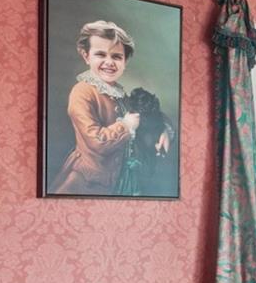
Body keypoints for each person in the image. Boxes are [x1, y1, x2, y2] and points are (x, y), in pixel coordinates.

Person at [52, 20, 171, 195]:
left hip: (121, 178)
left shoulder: (120, 94)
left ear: (125, 62)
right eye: (100, 54)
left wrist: (162, 130)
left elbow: (147, 115)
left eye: (116, 57)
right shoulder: (82, 92)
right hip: (89, 180)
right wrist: (126, 126)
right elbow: (96, 141)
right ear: (86, 56)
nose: (109, 62)